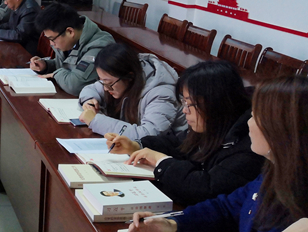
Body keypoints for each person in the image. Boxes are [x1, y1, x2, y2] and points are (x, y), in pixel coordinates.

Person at [127, 76, 308, 232]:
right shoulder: (276, 172)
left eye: (256, 116)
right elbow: (226, 208)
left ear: (282, 128)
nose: (249, 123)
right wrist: (173, 223)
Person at [106, 61, 264, 205]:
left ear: (215, 104)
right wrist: (136, 145)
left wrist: (161, 161)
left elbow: (206, 190)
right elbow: (176, 144)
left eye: (190, 104)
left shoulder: (250, 146)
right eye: (184, 102)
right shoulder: (212, 125)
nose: (184, 110)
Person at [78, 43, 187, 141]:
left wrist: (96, 121)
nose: (106, 88)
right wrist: (89, 101)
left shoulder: (161, 94)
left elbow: (148, 136)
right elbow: (91, 89)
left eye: (108, 83)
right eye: (102, 82)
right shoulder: (120, 79)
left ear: (129, 77)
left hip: (174, 152)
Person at [29, 2, 115, 96]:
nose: (51, 44)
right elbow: (65, 66)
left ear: (70, 32)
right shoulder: (69, 41)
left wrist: (54, 74)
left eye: (52, 39)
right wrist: (46, 65)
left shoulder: (99, 47)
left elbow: (75, 85)